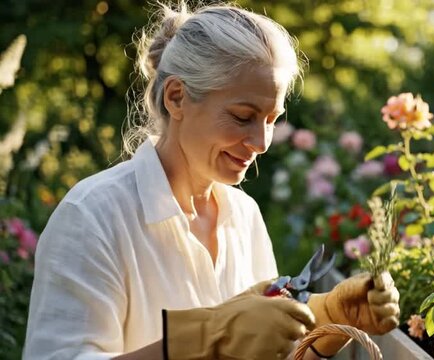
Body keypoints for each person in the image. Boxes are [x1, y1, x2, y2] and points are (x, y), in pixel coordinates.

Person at [23, 2, 400, 360]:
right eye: (242, 116)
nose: (261, 142)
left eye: (271, 119)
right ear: (176, 98)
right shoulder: (92, 217)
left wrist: (328, 321)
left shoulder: (243, 215)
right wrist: (207, 336)